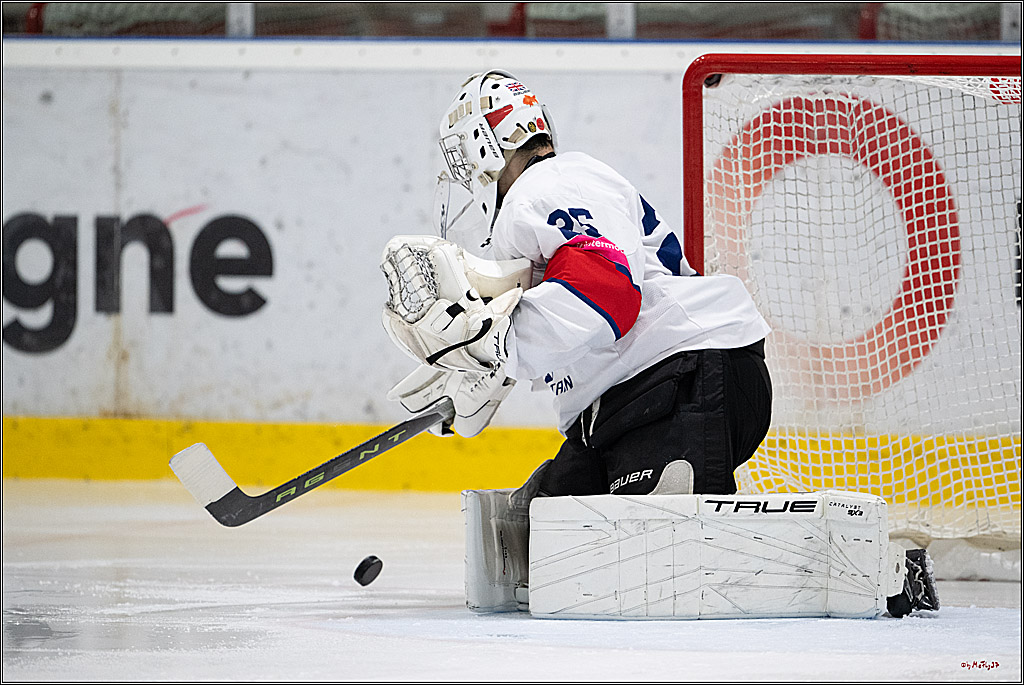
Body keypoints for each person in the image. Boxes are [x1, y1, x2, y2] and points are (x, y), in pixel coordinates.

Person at [380, 69, 937, 619]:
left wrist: (493, 347)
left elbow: (606, 290)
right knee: (536, 543)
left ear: (488, 146)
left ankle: (874, 568)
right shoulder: (561, 189)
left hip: (682, 377)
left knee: (667, 554)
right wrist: (480, 367)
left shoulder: (543, 189)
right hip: (629, 402)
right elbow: (569, 318)